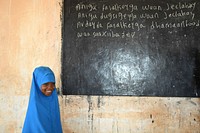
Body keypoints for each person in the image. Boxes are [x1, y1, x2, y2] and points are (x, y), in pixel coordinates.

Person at [22, 66, 63, 133]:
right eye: (45, 84)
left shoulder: (53, 100)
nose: (50, 88)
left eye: (53, 84)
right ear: (38, 84)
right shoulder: (35, 107)